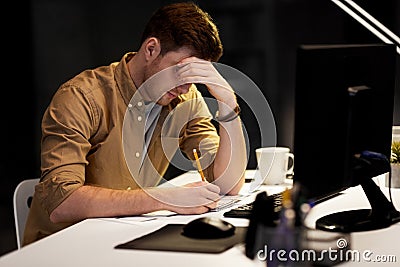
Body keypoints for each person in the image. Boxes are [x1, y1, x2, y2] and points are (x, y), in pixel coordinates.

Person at [23, 2, 247, 246]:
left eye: (196, 75)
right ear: (151, 49)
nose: (186, 86)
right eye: (181, 70)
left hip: (122, 238)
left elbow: (228, 184)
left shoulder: (184, 98)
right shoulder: (81, 97)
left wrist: (227, 101)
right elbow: (61, 203)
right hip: (62, 247)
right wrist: (163, 199)